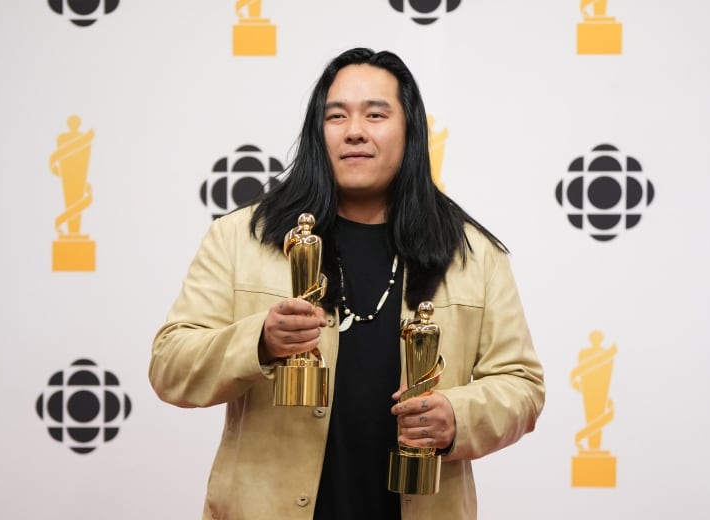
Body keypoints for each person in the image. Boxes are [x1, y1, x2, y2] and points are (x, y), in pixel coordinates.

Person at [149, 47, 545, 520]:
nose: (355, 130)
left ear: (411, 131)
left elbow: (521, 385)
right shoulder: (241, 238)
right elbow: (170, 364)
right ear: (318, 132)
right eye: (336, 116)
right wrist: (259, 341)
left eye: (376, 114)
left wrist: (457, 416)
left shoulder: (472, 253)